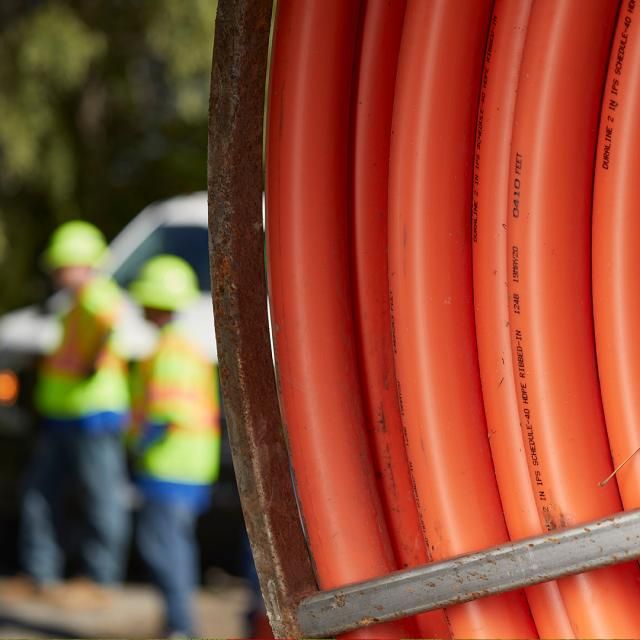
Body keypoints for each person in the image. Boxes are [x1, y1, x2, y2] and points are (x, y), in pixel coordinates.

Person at [6, 221, 131, 603]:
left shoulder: (97, 299)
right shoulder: (75, 305)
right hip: (64, 415)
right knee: (41, 493)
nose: (57, 274)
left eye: (62, 266)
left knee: (100, 498)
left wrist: (88, 361)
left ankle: (101, 580)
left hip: (94, 415)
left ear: (82, 264)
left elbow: (107, 329)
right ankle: (42, 573)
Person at [127, 255, 221, 637]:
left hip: (169, 465)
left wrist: (136, 448)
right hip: (192, 463)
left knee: (164, 549)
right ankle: (177, 623)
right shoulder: (184, 349)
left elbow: (164, 414)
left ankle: (180, 627)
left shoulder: (167, 354)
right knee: (175, 546)